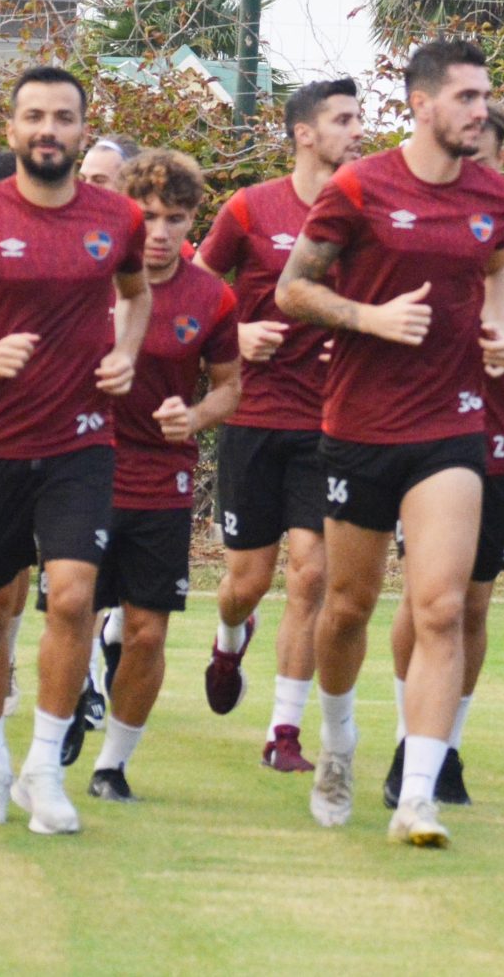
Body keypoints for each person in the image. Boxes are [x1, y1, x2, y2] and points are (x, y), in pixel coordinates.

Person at [276, 38, 504, 848]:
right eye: (465, 97)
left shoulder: (496, 196)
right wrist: (370, 318)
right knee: (346, 606)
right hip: (359, 425)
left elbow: (493, 273)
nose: (480, 110)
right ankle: (338, 740)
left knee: (441, 607)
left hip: (452, 427)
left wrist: (498, 332)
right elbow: (293, 288)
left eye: (484, 96)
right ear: (421, 103)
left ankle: (417, 796)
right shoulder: (359, 187)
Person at [0, 66, 151, 836]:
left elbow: (137, 295)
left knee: (74, 596)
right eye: (35, 116)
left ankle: (44, 769)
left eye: (64, 117)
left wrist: (127, 353)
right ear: (12, 129)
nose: (49, 128)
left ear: (82, 130)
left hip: (83, 442)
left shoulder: (119, 217)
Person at [382, 108, 504, 808]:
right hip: (418, 435)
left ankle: (446, 746)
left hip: (493, 443)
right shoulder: (403, 226)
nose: (471, 174)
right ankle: (409, 744)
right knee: (428, 598)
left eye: (484, 162)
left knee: (473, 603)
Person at [195, 77, 361, 772]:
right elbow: (195, 287)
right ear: (304, 133)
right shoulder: (250, 207)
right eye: (343, 119)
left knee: (311, 575)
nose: (357, 130)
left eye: (358, 118)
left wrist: (353, 338)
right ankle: (230, 637)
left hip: (330, 421)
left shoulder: (366, 212)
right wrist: (237, 332)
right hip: (254, 417)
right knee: (247, 582)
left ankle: (283, 732)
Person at [86, 149, 243, 802]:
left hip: (161, 479)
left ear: (192, 220)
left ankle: (112, 765)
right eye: (146, 216)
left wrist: (196, 416)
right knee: (71, 609)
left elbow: (230, 386)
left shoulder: (212, 297)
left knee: (148, 632)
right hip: (83, 468)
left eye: (174, 218)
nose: (158, 231)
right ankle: (60, 719)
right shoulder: (87, 276)